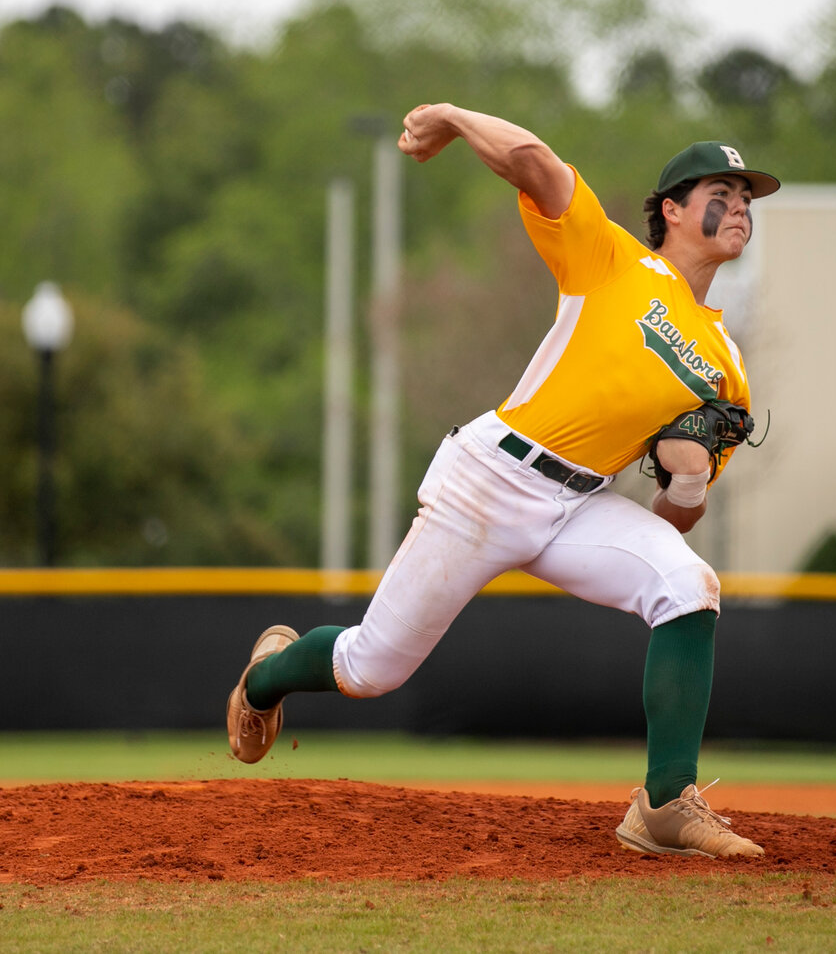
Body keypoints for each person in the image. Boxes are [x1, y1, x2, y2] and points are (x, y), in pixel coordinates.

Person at [227, 103, 780, 859]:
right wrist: (453, 117)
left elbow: (674, 512)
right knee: (370, 667)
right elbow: (537, 164)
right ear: (672, 208)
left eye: (749, 197)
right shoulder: (613, 258)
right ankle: (265, 679)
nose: (741, 205)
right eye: (723, 189)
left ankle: (662, 805)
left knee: (688, 584)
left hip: (577, 503)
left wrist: (686, 491)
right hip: (488, 478)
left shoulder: (729, 367)